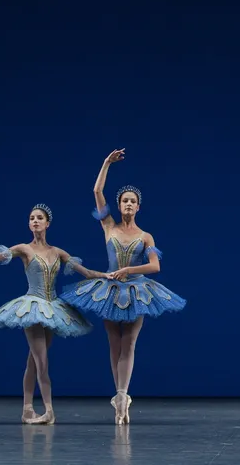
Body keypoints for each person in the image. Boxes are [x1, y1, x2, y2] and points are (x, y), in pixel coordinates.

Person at [60, 149, 186, 424]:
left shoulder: (145, 235)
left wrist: (129, 269)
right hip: (109, 289)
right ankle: (120, 397)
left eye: (133, 201)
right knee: (113, 344)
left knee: (129, 343)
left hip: (137, 290)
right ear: (119, 205)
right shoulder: (109, 227)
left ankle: (122, 394)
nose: (128, 204)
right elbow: (96, 192)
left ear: (138, 207)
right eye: (124, 201)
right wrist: (106, 163)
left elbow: (155, 266)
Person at [0, 203, 104, 424]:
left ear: (48, 223)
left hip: (53, 308)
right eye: (31, 218)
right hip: (32, 307)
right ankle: (49, 410)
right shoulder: (24, 249)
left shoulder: (57, 252)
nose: (35, 221)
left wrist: (109, 275)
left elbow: (87, 273)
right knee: (41, 360)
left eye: (39, 218)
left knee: (33, 361)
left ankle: (27, 409)